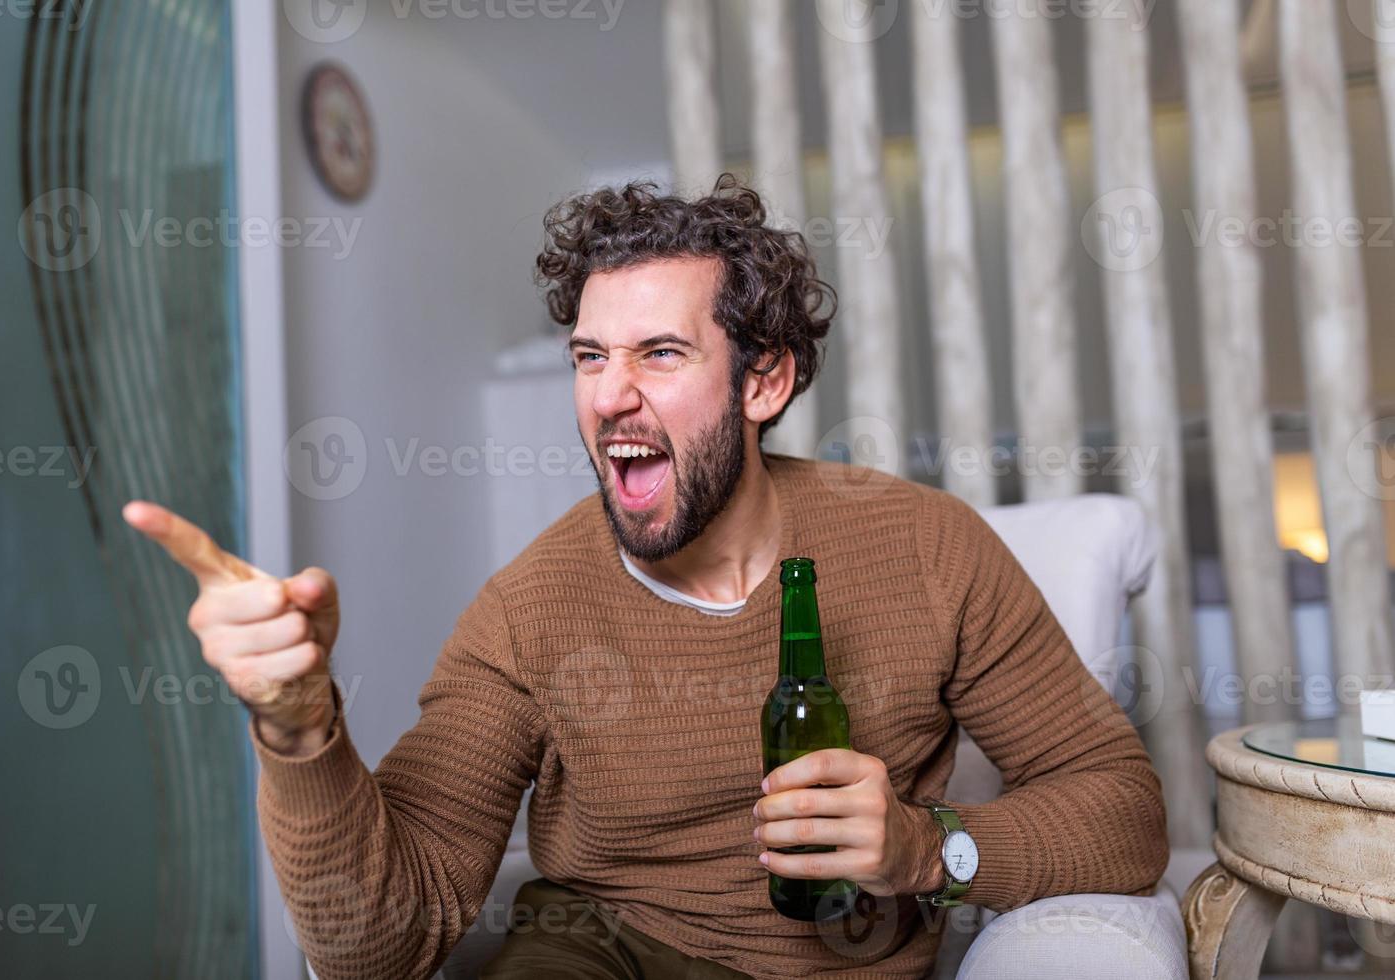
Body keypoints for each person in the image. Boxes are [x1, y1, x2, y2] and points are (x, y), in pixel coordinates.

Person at [123, 174, 1168, 979]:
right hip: (595, 953)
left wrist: (925, 845)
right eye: (589, 356)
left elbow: (1126, 812)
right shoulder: (527, 609)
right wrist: (300, 729)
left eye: (659, 354)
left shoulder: (927, 546)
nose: (610, 396)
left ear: (764, 379)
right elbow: (379, 947)